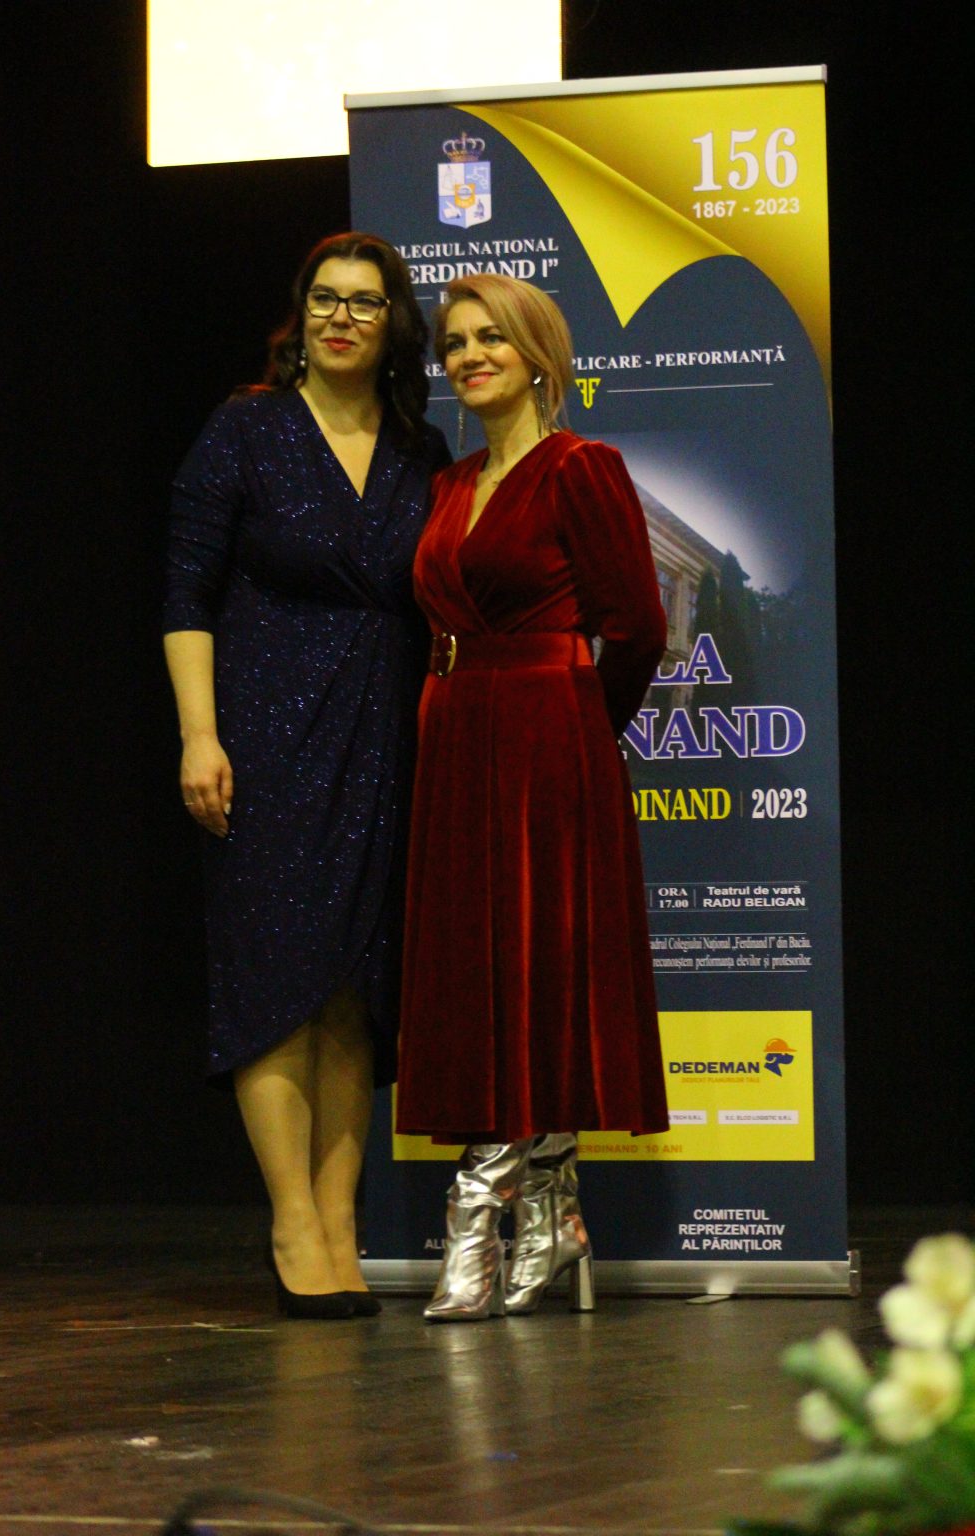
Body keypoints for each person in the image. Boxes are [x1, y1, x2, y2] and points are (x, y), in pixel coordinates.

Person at [163, 232, 449, 1319]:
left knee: (353, 993)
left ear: (393, 325)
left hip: (385, 738)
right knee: (276, 982)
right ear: (302, 314)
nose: (341, 318)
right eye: (325, 299)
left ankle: (338, 1222)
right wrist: (199, 736)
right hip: (265, 736)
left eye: (365, 303)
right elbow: (185, 594)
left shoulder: (420, 449)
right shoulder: (246, 429)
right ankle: (291, 1220)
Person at [395, 274, 669, 1321]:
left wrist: (579, 730)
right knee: (478, 980)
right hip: (454, 742)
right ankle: (554, 1217)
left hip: (549, 741)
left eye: (491, 338)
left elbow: (637, 626)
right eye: (455, 342)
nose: (468, 356)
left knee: (541, 971)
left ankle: (475, 1211)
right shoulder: (449, 483)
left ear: (539, 355)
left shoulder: (581, 466)